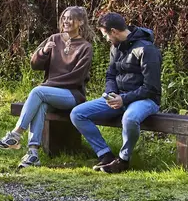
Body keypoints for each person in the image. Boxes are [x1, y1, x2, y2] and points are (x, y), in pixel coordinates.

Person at [0, 6, 93, 167]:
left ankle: (16, 134)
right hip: (49, 94)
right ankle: (33, 153)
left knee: (38, 92)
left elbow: (77, 78)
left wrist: (47, 85)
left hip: (72, 95)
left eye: (70, 18)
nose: (66, 21)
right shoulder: (54, 39)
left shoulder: (85, 47)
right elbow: (35, 65)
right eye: (64, 18)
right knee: (41, 104)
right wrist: (44, 51)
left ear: (80, 22)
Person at [69, 13, 162, 173]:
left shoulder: (147, 50)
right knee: (77, 114)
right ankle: (105, 155)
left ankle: (123, 160)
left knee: (130, 118)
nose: (106, 39)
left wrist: (123, 99)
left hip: (146, 100)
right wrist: (111, 93)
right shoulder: (115, 48)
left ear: (113, 31)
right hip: (120, 98)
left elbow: (151, 88)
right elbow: (110, 75)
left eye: (105, 35)